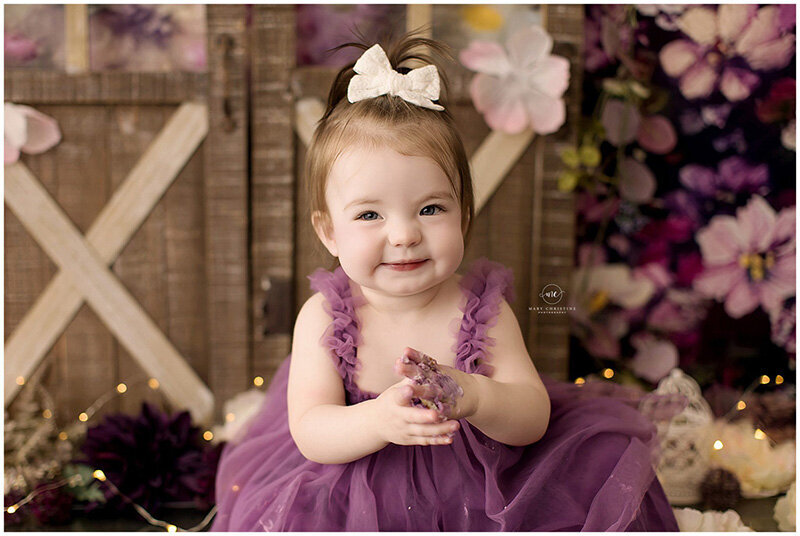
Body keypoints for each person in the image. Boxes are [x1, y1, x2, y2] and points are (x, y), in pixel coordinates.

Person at [212, 33, 678, 531]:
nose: (405, 235)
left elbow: (530, 418)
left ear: (464, 214)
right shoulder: (326, 318)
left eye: (431, 209)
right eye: (369, 214)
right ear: (329, 231)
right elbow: (311, 431)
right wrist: (376, 421)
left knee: (601, 465)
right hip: (353, 496)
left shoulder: (481, 309)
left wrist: (475, 397)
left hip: (481, 491)